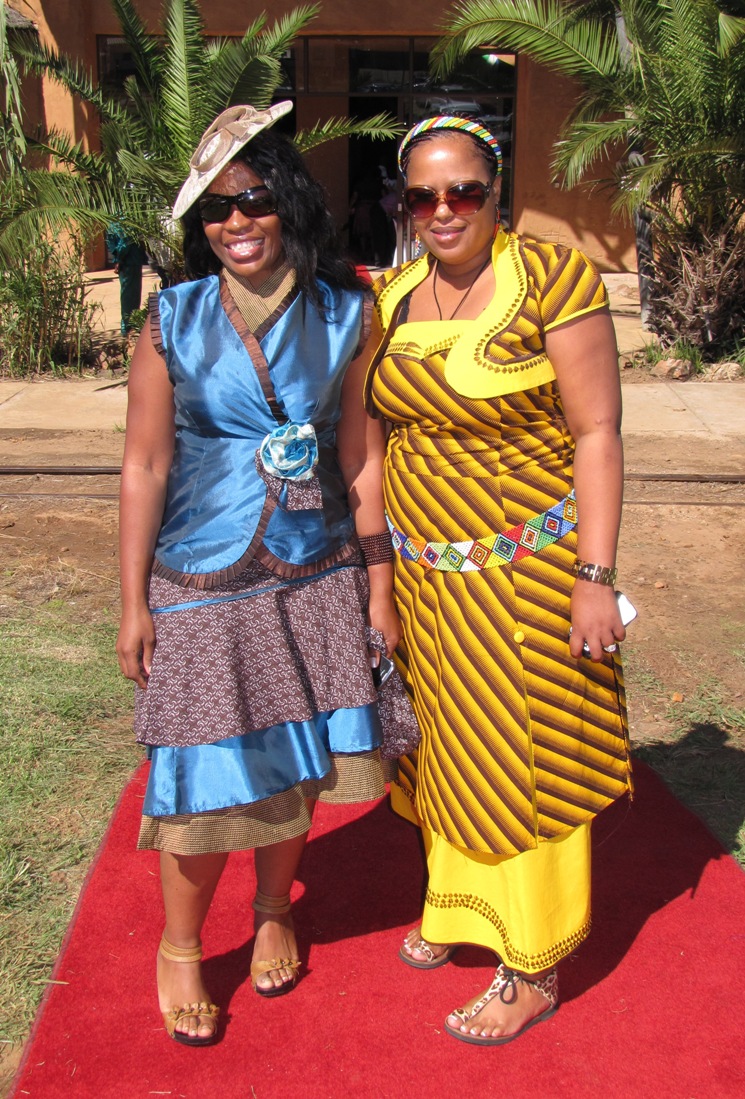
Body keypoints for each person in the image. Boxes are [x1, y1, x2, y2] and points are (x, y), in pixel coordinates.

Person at [338, 115, 632, 1046]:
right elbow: (368, 446)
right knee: (445, 757)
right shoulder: (390, 297)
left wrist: (594, 575)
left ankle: (532, 965)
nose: (443, 209)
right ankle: (458, 907)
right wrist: (378, 579)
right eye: (421, 195)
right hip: (427, 586)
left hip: (527, 581)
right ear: (402, 203)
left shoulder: (553, 280)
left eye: (462, 189)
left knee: (523, 761)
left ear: (495, 188)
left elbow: (596, 433)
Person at [116, 102, 400, 1046]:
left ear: (289, 203)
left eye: (254, 201)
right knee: (199, 772)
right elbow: (144, 463)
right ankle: (182, 948)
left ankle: (275, 906)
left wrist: (377, 587)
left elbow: (359, 457)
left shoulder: (347, 312)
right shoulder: (172, 317)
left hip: (315, 569)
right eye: (216, 209)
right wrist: (132, 601)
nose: (236, 222)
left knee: (297, 758)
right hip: (200, 574)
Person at [105, 221, 147, 334]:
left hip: (131, 261)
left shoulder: (116, 222)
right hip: (129, 262)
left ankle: (131, 323)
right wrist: (119, 258)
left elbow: (116, 242)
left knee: (131, 294)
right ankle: (128, 326)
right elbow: (125, 241)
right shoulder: (124, 221)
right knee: (129, 295)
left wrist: (118, 258)